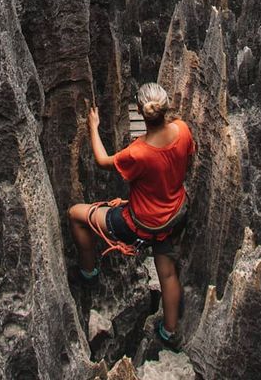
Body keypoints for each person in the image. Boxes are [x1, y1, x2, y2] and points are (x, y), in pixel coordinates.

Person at [67, 83, 195, 350]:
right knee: (167, 274)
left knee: (76, 215)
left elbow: (102, 161)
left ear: (139, 110)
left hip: (139, 225)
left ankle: (89, 272)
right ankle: (169, 332)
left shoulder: (138, 153)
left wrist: (93, 126)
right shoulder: (183, 130)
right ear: (165, 106)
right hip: (173, 217)